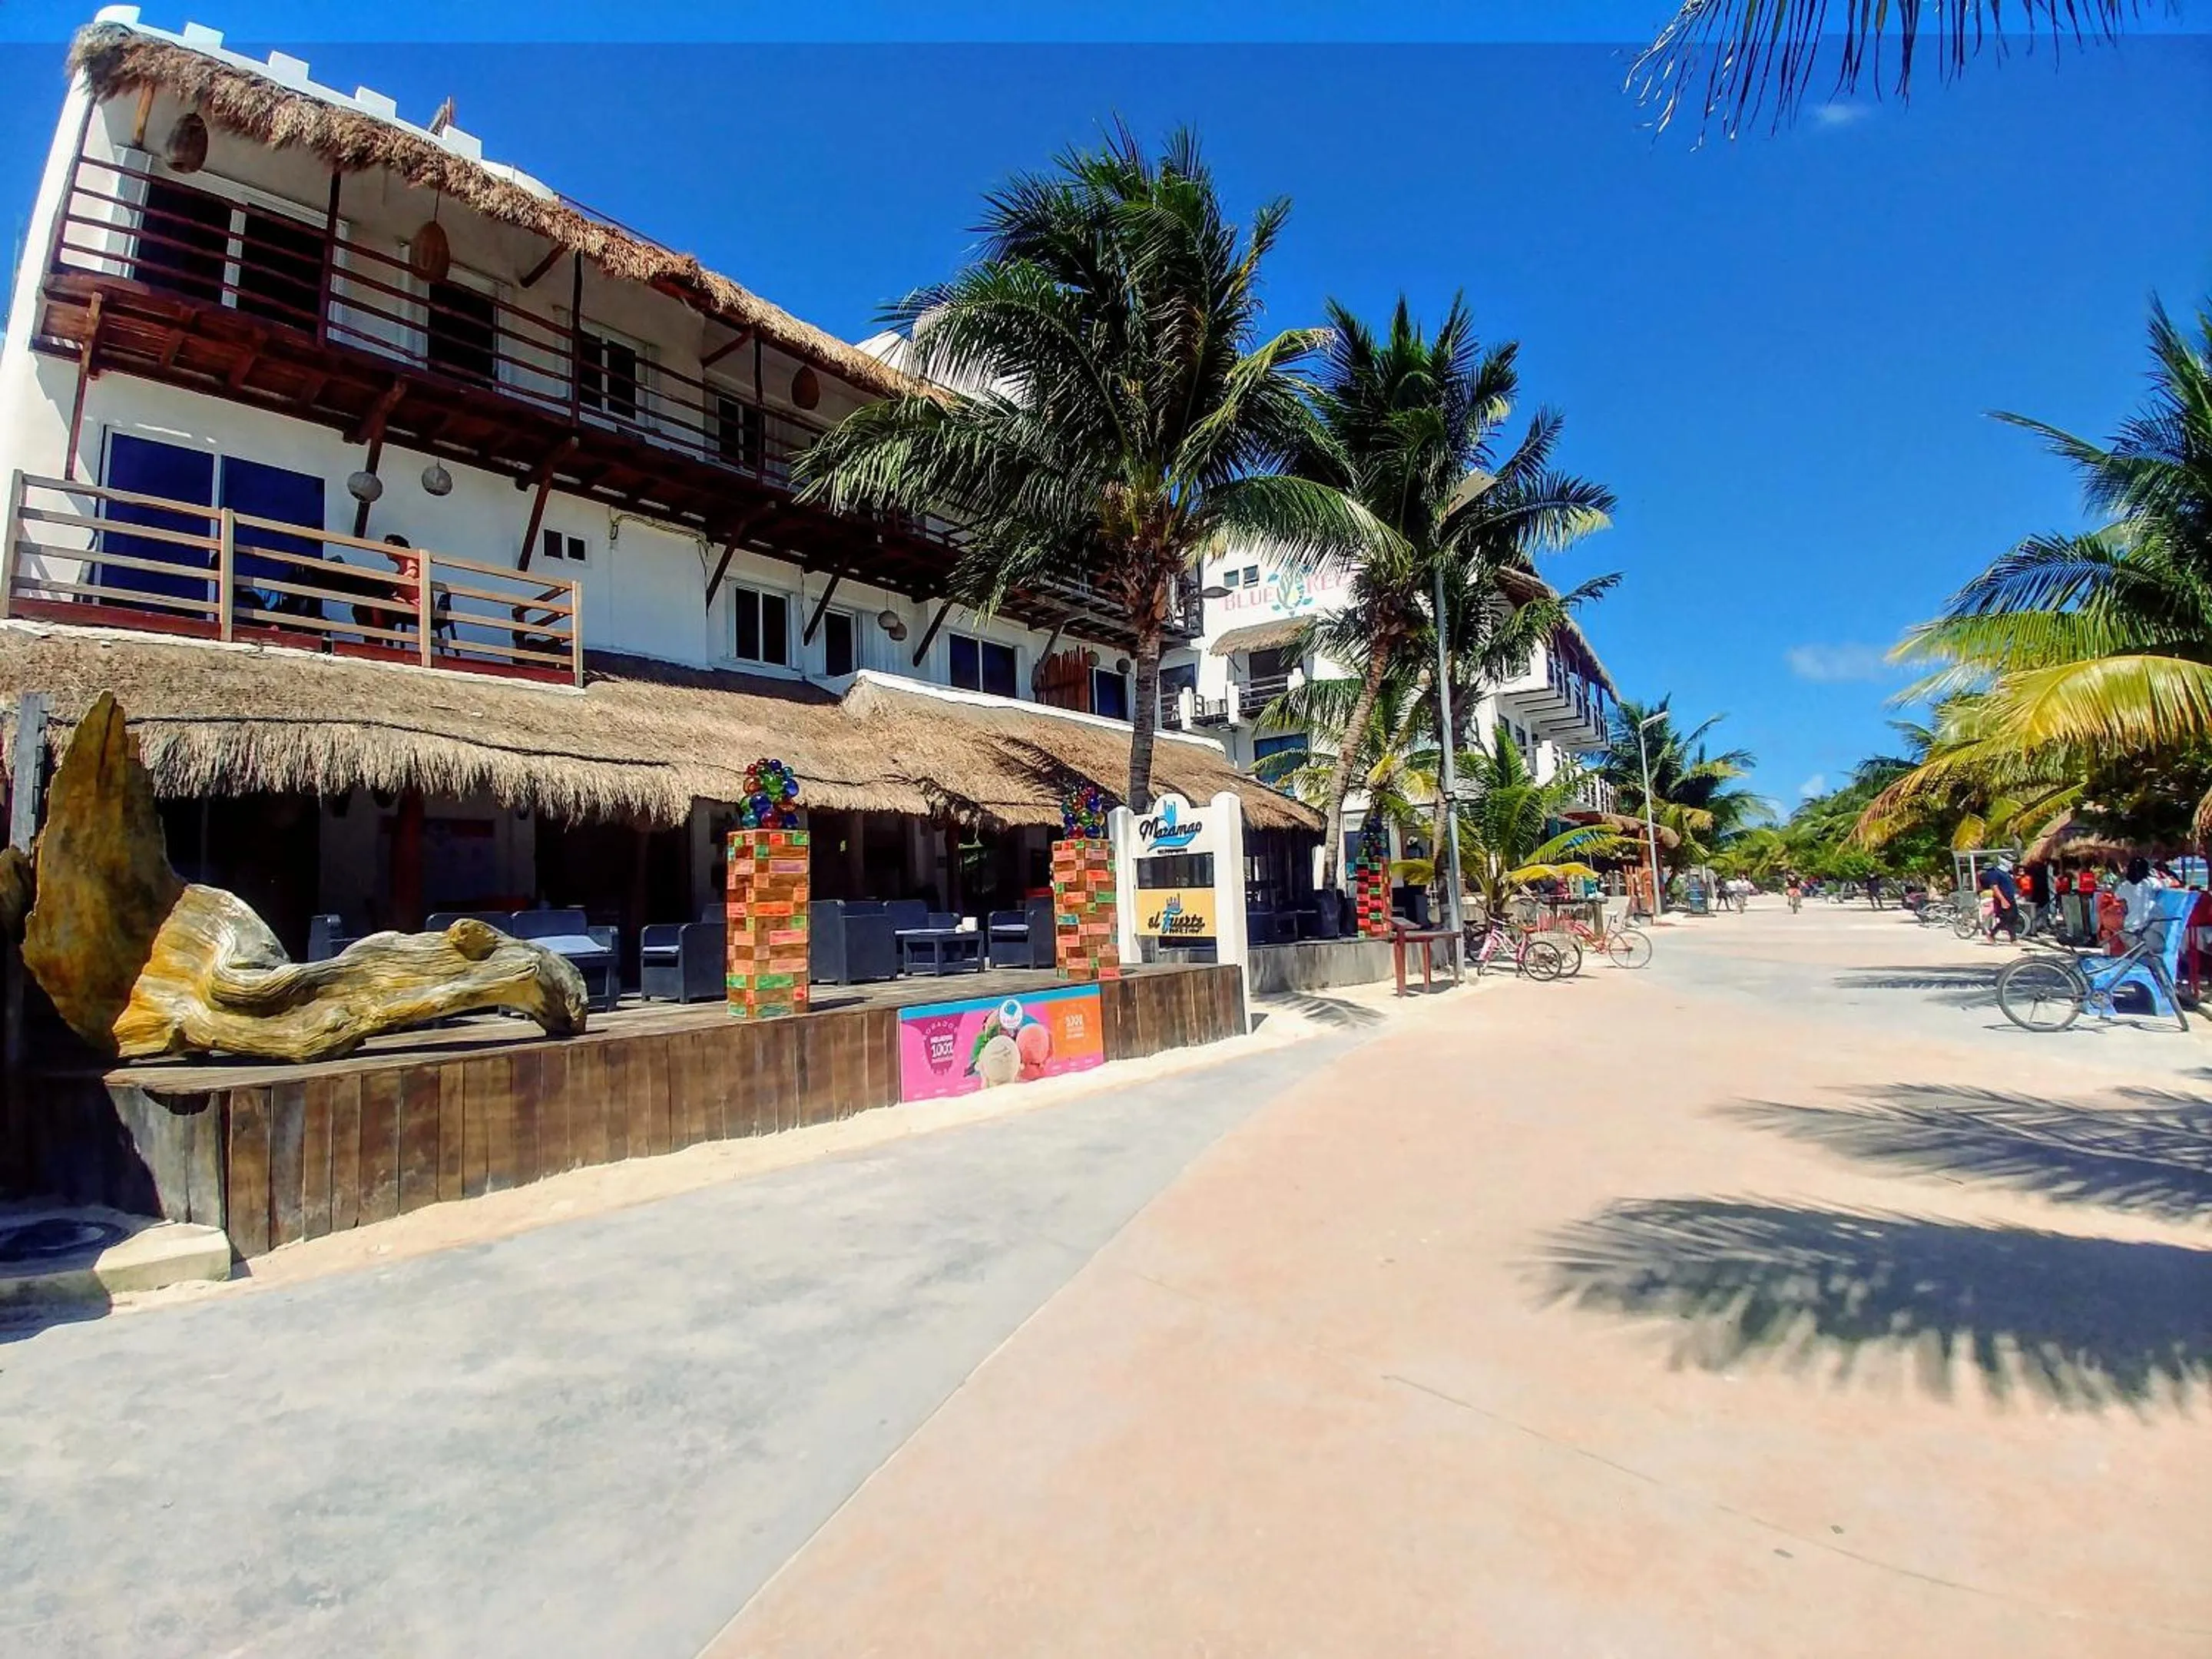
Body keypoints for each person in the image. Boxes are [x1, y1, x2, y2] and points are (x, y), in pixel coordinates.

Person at [1975, 859, 2021, 943]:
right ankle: (1993, 934)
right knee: (2006, 919)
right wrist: (2002, 900)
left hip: (2010, 898)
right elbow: (1994, 887)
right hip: (2003, 898)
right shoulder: (1994, 873)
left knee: (2013, 918)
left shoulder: (2006, 873)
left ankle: (2013, 940)